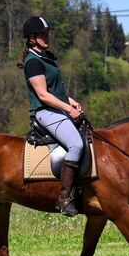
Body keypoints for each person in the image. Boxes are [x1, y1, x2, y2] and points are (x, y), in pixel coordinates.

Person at [18, 16, 83, 217]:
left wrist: (70, 100)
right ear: (32, 39)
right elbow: (44, 95)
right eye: (43, 34)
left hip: (58, 109)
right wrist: (68, 109)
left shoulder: (47, 57)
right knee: (76, 145)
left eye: (47, 33)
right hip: (45, 112)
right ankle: (64, 198)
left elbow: (55, 90)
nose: (47, 37)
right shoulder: (32, 62)